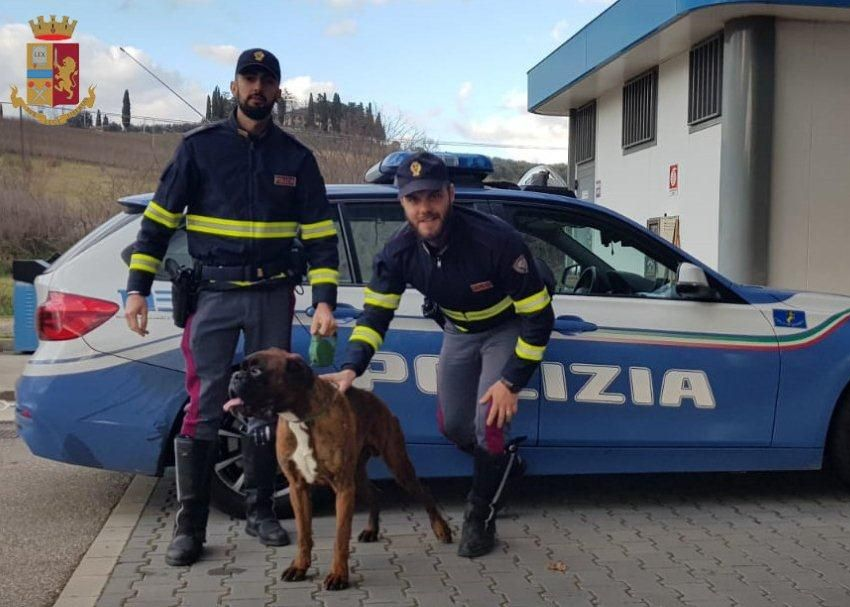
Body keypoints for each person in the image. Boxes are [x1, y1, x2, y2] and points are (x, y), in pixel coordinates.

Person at [123, 48, 339, 566]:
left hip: (271, 294)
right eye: (249, 78)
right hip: (214, 297)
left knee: (270, 405)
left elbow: (321, 238)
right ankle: (190, 527)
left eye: (266, 80)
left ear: (277, 91)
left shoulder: (297, 159)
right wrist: (136, 287)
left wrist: (326, 300)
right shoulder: (198, 149)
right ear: (235, 85)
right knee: (203, 406)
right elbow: (158, 222)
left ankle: (261, 511)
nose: (257, 87)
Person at [325, 152, 554, 558]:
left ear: (449, 195)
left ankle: (479, 516)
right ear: (402, 202)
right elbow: (375, 313)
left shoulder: (495, 239)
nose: (424, 207)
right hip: (459, 332)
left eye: (432, 195)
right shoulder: (397, 252)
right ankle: (500, 463)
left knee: (489, 420)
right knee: (451, 426)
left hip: (505, 328)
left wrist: (511, 382)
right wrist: (350, 367)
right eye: (414, 199)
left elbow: (539, 318)